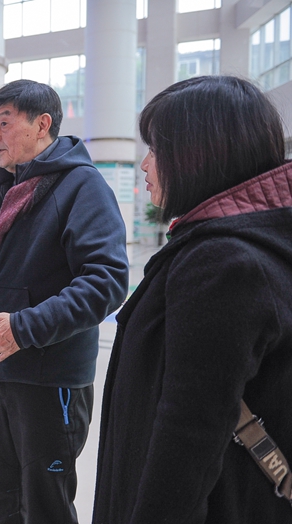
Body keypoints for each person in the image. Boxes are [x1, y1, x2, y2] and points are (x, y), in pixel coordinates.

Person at [0, 80, 129, 524]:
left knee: (45, 505)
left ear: (42, 125)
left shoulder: (81, 186)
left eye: (5, 123)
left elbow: (107, 280)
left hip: (47, 379)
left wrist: (25, 327)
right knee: (2, 502)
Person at [93, 76, 292, 524]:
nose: (145, 165)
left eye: (156, 149)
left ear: (198, 154)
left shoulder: (221, 262)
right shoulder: (253, 242)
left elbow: (188, 435)